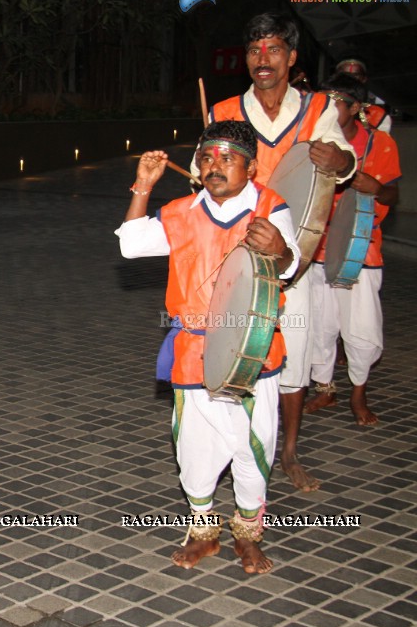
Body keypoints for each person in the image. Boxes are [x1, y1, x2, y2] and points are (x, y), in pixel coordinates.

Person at [119, 121, 299, 574]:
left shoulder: (270, 207)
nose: (214, 166)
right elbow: (132, 245)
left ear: (251, 166)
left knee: (253, 449)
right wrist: (143, 185)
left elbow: (288, 265)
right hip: (194, 351)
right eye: (206, 158)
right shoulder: (180, 211)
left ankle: (247, 536)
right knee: (194, 450)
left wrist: (278, 249)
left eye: (227, 157)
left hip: (252, 350)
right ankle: (204, 532)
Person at [204, 12, 355, 493]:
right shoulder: (224, 109)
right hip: (236, 255)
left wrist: (340, 160)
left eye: (272, 49)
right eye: (254, 50)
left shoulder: (318, 108)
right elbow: (204, 175)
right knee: (233, 352)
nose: (262, 59)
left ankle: (287, 453)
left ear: (291, 57)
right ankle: (233, 449)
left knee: (292, 357)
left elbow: (345, 160)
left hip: (295, 259)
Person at [305, 72, 401, 425]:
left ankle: (358, 394)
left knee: (361, 330)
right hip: (316, 248)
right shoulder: (313, 143)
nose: (327, 110)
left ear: (357, 107)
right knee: (320, 326)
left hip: (362, 250)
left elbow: (393, 195)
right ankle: (325, 389)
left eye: (335, 102)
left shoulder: (381, 145)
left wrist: (375, 187)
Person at [335, 57, 391, 134]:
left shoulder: (378, 115)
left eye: (355, 75)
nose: (349, 80)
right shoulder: (322, 105)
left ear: (364, 79)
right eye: (344, 75)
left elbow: (381, 143)